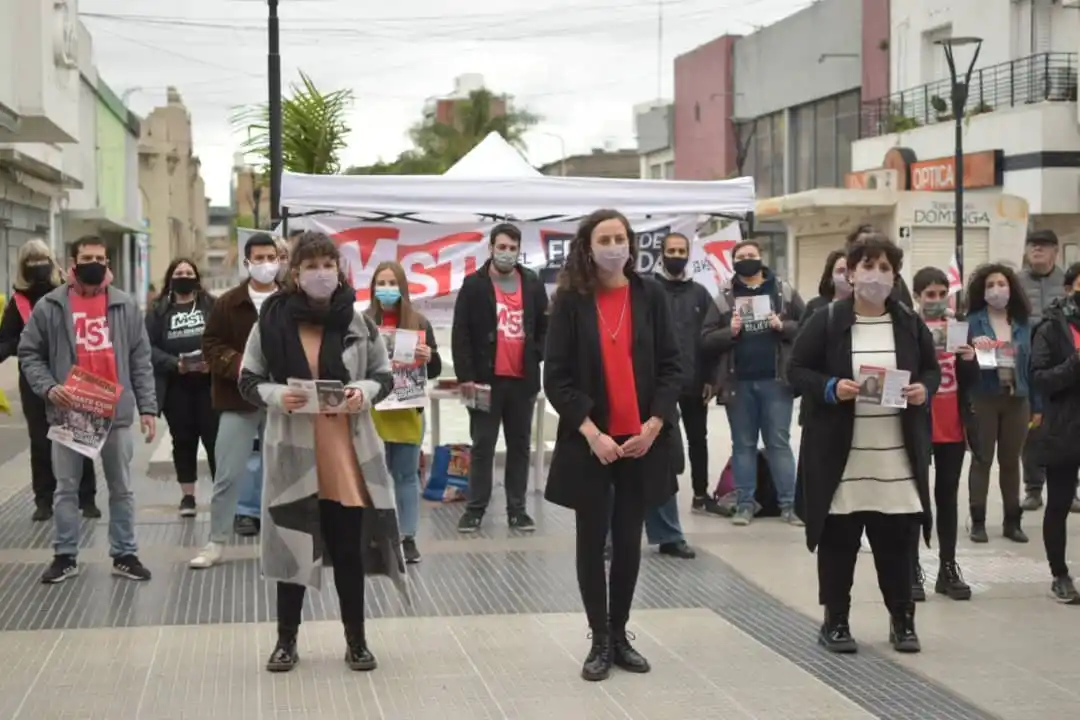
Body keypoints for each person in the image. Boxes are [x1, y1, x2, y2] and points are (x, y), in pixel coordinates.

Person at [237, 230, 402, 672]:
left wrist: (361, 393)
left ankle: (357, 641)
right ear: (294, 273)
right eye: (311, 266)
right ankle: (286, 642)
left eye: (328, 265)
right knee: (292, 552)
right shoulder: (270, 320)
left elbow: (384, 377)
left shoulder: (358, 322)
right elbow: (248, 380)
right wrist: (276, 395)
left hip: (346, 456)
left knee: (348, 552)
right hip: (293, 455)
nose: (321, 274)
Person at [543, 209, 682, 682]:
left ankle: (621, 634)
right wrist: (591, 432)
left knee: (628, 541)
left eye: (620, 237)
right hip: (591, 441)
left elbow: (672, 365)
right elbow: (556, 378)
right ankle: (598, 639)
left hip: (641, 440)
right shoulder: (570, 301)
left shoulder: (651, 295)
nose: (614, 245)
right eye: (605, 238)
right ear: (588, 246)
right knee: (590, 540)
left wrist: (655, 423)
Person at [788, 233, 939, 655]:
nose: (876, 276)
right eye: (867, 267)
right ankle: (836, 621)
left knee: (897, 544)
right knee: (840, 545)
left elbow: (930, 370)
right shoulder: (828, 320)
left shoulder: (909, 322)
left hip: (896, 460)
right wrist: (833, 387)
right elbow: (796, 370)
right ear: (850, 273)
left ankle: (902, 619)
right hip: (843, 459)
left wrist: (924, 390)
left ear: (895, 275)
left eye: (885, 268)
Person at [19, 235, 158, 584]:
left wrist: (148, 408)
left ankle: (124, 554)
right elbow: (28, 353)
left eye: (100, 257)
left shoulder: (124, 305)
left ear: (108, 263)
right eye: (87, 257)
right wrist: (49, 388)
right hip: (71, 410)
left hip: (114, 411)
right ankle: (65, 555)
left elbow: (141, 359)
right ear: (73, 261)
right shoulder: (51, 305)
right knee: (65, 488)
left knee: (121, 487)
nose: (94, 262)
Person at [190, 233, 282, 568]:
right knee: (228, 473)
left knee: (283, 473)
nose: (266, 264)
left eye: (271, 257)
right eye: (259, 258)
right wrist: (240, 364)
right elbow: (211, 345)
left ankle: (283, 540)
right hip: (237, 399)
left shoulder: (290, 301)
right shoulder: (227, 303)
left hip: (281, 401)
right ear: (247, 263)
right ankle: (216, 541)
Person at [451, 222, 548, 533]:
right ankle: (475, 509)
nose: (507, 253)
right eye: (501, 247)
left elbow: (546, 324)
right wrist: (465, 376)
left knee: (519, 446)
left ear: (519, 251)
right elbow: (460, 332)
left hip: (523, 381)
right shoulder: (474, 285)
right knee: (483, 445)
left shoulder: (531, 282)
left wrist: (538, 352)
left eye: (512, 248)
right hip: (483, 381)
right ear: (490, 248)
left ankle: (517, 510)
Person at [701, 240, 805, 526]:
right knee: (742, 445)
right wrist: (729, 332)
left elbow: (808, 326)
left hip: (777, 382)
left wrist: (783, 326)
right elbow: (706, 338)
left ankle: (789, 505)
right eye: (741, 256)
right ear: (734, 262)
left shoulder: (783, 292)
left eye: (751, 255)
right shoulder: (724, 295)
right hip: (738, 383)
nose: (747, 259)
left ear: (761, 258)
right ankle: (744, 505)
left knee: (779, 444)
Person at [0, 239, 98, 522]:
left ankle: (87, 497)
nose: (38, 268)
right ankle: (44, 500)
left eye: (42, 260)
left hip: (72, 376)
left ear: (52, 262)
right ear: (22, 268)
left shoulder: (68, 294)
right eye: (31, 263)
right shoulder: (18, 302)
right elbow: (5, 339)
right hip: (34, 382)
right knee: (41, 443)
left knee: (81, 436)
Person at [366, 260, 442, 564]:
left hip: (408, 411)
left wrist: (429, 355)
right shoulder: (362, 322)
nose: (386, 289)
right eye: (380, 284)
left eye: (391, 283)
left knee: (406, 475)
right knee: (375, 477)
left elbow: (433, 370)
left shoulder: (419, 322)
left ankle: (407, 537)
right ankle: (377, 535)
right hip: (374, 412)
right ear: (373, 288)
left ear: (403, 287)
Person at [908, 267, 977, 602]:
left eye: (940, 294)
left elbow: (970, 380)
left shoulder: (958, 326)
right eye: (929, 294)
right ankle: (911, 568)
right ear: (917, 296)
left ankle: (947, 567)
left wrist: (970, 358)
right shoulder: (908, 327)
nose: (935, 300)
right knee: (914, 499)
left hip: (951, 422)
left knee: (947, 496)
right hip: (919, 421)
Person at [965, 263, 1035, 544]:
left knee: (1010, 461)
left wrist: (1038, 404)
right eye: (991, 285)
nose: (997, 290)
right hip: (983, 396)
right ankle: (978, 521)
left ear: (1012, 288)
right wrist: (972, 350)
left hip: (1017, 398)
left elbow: (1032, 365)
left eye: (1002, 284)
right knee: (982, 459)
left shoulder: (1023, 322)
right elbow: (956, 358)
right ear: (982, 291)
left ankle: (1012, 521)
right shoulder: (971, 321)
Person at [653, 231, 720, 517]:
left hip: (694, 381)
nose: (677, 257)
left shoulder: (700, 293)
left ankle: (701, 495)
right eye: (672, 251)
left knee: (698, 440)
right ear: (662, 252)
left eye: (682, 252)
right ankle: (660, 498)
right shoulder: (648, 289)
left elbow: (710, 339)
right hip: (659, 384)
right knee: (663, 443)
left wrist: (711, 379)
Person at [145, 258, 217, 516]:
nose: (184, 275)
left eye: (188, 272)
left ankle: (222, 495)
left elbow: (225, 337)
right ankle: (188, 497)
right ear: (170, 278)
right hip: (176, 388)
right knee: (183, 442)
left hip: (210, 387)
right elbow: (148, 348)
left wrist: (213, 361)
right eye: (179, 272)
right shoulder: (158, 310)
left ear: (196, 277)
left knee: (215, 441)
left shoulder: (212, 306)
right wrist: (175, 363)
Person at [1031, 261, 1080, 603]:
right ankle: (1059, 573)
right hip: (1066, 427)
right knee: (1060, 502)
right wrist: (1076, 362)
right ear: (1068, 288)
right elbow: (1042, 378)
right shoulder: (1050, 327)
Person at [1017, 230, 1076, 512]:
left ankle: (1070, 488)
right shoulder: (1016, 282)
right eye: (1033, 245)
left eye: (1044, 246)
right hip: (1029, 363)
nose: (1037, 249)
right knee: (1032, 428)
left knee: (1068, 427)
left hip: (1064, 362)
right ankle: (1033, 487)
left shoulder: (1066, 281)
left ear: (1055, 251)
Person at [845, 225, 913, 307]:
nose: (876, 274)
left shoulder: (895, 284)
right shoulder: (832, 314)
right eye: (868, 266)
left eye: (884, 268)